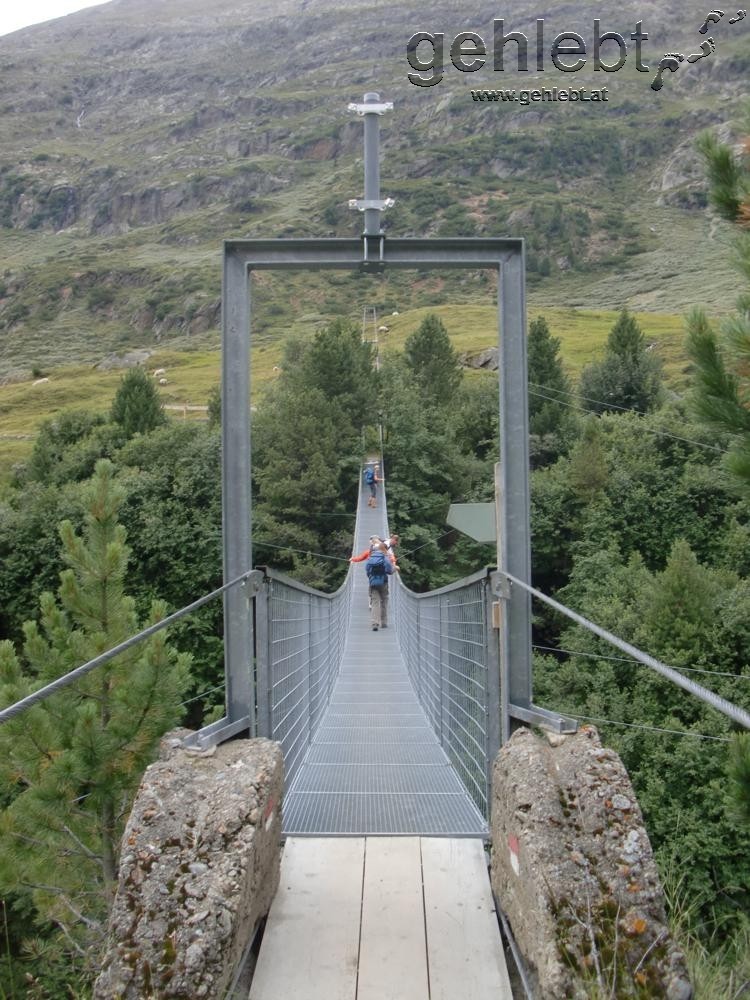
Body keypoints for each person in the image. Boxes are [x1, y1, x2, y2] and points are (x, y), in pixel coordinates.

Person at [365, 542, 394, 631]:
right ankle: (384, 622)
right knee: (384, 601)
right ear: (385, 549)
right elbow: (389, 570)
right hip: (383, 582)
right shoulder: (385, 557)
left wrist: (372, 578)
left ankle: (375, 623)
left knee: (375, 603)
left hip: (373, 583)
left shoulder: (371, 557)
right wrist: (395, 569)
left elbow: (367, 570)